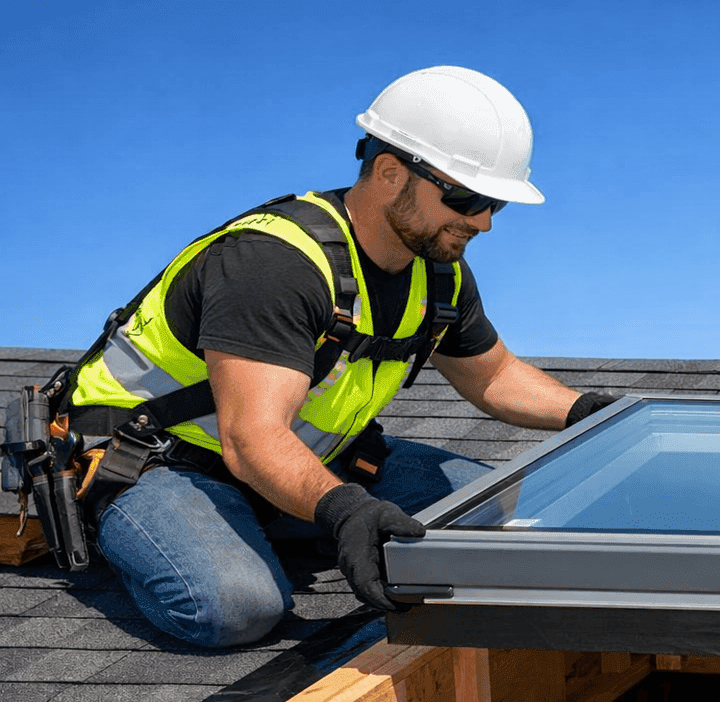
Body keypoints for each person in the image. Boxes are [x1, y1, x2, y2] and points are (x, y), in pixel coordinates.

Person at [64, 65, 615, 648]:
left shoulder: (439, 273)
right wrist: (347, 511)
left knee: (498, 526)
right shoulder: (274, 264)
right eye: (466, 196)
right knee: (235, 608)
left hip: (312, 455)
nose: (480, 221)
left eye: (494, 205)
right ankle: (132, 527)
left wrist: (593, 411)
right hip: (165, 461)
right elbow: (251, 438)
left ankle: (287, 519)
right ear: (388, 172)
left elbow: (495, 376)